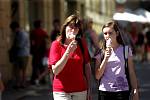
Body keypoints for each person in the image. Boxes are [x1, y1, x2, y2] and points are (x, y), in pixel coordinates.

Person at [49, 14, 92, 100]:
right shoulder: (56, 44)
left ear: (78, 31)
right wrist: (68, 52)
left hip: (80, 90)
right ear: (65, 27)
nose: (72, 30)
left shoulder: (81, 44)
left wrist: (89, 89)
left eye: (76, 27)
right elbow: (55, 70)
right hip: (61, 91)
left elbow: (87, 67)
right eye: (70, 26)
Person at [95, 20, 139, 100]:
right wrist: (105, 58)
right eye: (105, 33)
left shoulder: (126, 50)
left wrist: (135, 90)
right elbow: (97, 76)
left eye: (110, 33)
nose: (107, 36)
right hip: (105, 91)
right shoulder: (100, 52)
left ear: (117, 33)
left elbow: (131, 72)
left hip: (122, 91)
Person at [9, 21, 30, 89]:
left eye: (13, 29)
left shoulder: (22, 34)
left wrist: (13, 50)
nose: (13, 31)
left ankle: (22, 83)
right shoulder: (18, 34)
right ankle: (19, 83)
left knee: (22, 70)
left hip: (23, 54)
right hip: (21, 54)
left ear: (16, 28)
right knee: (19, 70)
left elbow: (19, 45)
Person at [30, 20, 49, 85]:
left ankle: (34, 78)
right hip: (42, 51)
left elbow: (32, 42)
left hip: (36, 51)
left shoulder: (33, 32)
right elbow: (47, 38)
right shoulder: (43, 32)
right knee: (41, 65)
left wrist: (32, 50)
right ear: (40, 25)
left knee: (35, 65)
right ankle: (42, 79)